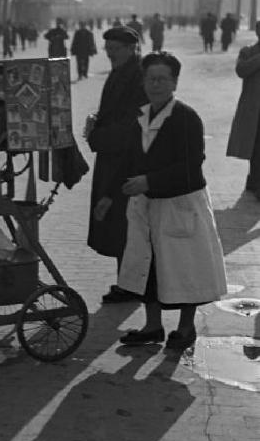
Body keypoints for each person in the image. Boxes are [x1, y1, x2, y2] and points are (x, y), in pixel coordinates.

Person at [95, 51, 227, 348]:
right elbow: (128, 160)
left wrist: (150, 180)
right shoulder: (140, 118)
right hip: (147, 205)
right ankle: (152, 326)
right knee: (148, 266)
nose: (156, 84)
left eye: (163, 79)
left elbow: (191, 166)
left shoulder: (186, 118)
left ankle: (185, 329)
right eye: (151, 79)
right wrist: (109, 195)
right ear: (143, 82)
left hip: (180, 205)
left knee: (185, 268)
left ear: (175, 82)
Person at [84, 26, 147, 303]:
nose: (110, 55)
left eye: (115, 50)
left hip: (126, 159)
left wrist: (99, 135)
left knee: (126, 222)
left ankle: (132, 285)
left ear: (131, 48)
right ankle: (126, 281)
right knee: (117, 223)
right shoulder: (122, 70)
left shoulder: (138, 75)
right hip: (112, 155)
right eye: (107, 51)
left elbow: (133, 124)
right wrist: (97, 120)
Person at [226, 20, 260, 199]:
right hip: (253, 108)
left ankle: (255, 181)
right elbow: (241, 70)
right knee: (254, 147)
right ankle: (255, 181)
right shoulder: (247, 51)